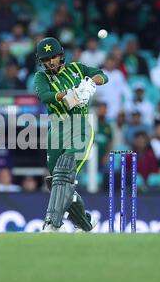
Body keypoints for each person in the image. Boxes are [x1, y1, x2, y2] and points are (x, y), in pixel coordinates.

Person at [34, 37, 108, 232]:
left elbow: (102, 76)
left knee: (64, 171)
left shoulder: (77, 68)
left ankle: (52, 224)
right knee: (56, 181)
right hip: (57, 131)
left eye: (54, 57)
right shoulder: (41, 78)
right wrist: (69, 94)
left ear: (61, 55)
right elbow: (45, 96)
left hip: (81, 127)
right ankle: (85, 223)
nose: (51, 62)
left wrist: (90, 83)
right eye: (46, 59)